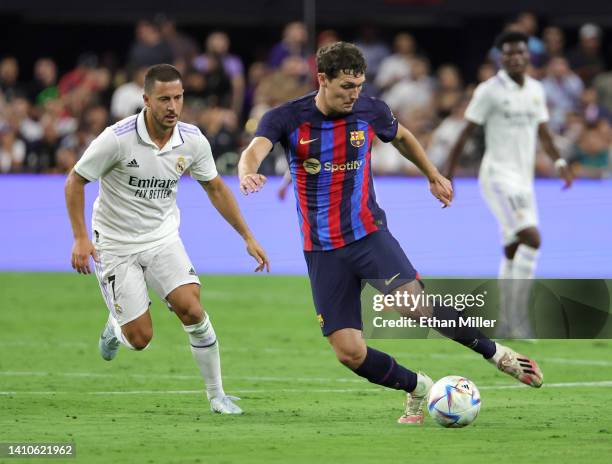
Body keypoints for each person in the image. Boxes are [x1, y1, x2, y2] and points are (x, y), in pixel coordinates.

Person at [238, 42, 543, 425]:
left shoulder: (370, 110)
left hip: (369, 234)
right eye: (346, 87)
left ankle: (498, 354)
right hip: (322, 250)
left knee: (412, 305)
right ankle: (417, 387)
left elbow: (401, 137)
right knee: (349, 352)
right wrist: (248, 171)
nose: (354, 95)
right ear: (322, 80)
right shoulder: (287, 117)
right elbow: (255, 148)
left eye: (359, 85)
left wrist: (432, 173)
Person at [65, 64, 269, 415]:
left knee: (192, 307)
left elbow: (216, 187)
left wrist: (247, 236)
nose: (173, 106)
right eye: (164, 99)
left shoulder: (191, 140)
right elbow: (75, 181)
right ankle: (116, 325)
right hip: (116, 243)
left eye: (178, 97)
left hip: (162, 238)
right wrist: (81, 238)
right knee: (140, 339)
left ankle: (217, 396)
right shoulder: (117, 138)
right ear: (146, 100)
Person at [446, 32, 574, 338]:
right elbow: (466, 132)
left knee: (513, 247)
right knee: (532, 238)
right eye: (509, 54)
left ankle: (507, 322)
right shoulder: (489, 91)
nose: (515, 58)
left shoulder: (535, 90)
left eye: (520, 53)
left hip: (524, 180)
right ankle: (520, 321)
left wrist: (559, 162)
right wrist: (445, 173)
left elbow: (543, 131)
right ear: (500, 58)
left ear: (528, 56)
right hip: (497, 177)